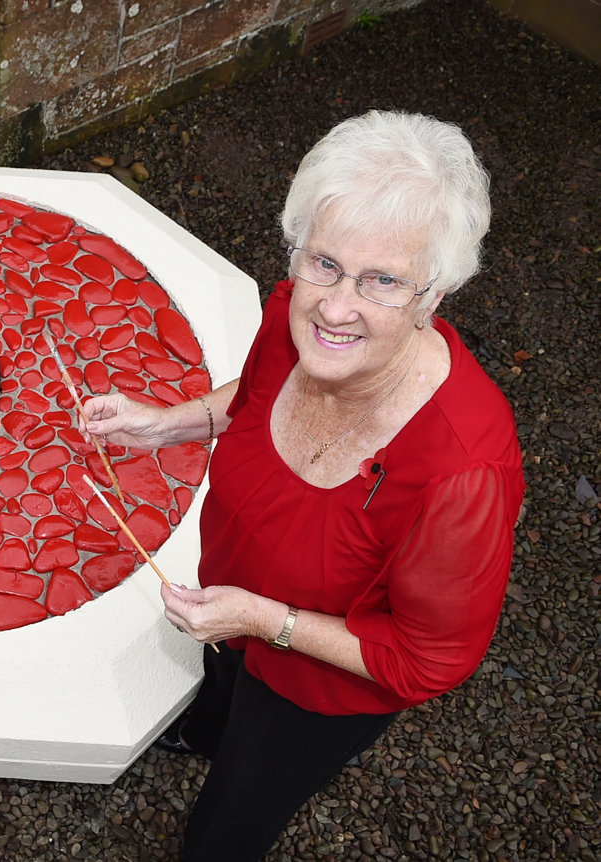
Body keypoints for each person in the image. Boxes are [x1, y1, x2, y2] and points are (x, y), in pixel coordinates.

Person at [84, 111, 524, 861]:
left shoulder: (461, 472)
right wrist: (164, 423)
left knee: (232, 817)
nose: (335, 306)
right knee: (218, 693)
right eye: (322, 261)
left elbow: (426, 661)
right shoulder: (294, 310)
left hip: (317, 687)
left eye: (381, 280)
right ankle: (205, 728)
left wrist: (262, 621)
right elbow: (252, 393)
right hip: (232, 606)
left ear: (434, 295)